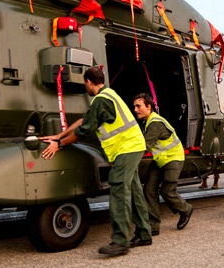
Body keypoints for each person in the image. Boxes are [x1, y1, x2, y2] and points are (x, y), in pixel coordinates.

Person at [42, 66, 152, 256]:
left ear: (88, 82)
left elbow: (84, 131)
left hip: (127, 148)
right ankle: (144, 234)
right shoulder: (108, 95)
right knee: (133, 189)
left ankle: (120, 241)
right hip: (132, 147)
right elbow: (85, 120)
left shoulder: (101, 100)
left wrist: (59, 145)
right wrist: (60, 135)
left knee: (118, 187)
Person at [133, 93, 194, 234]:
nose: (135, 109)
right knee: (148, 190)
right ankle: (154, 226)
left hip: (173, 158)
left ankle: (186, 209)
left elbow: (144, 147)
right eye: (134, 106)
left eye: (138, 106)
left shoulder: (155, 123)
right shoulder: (147, 121)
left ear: (148, 107)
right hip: (161, 159)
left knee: (167, 191)